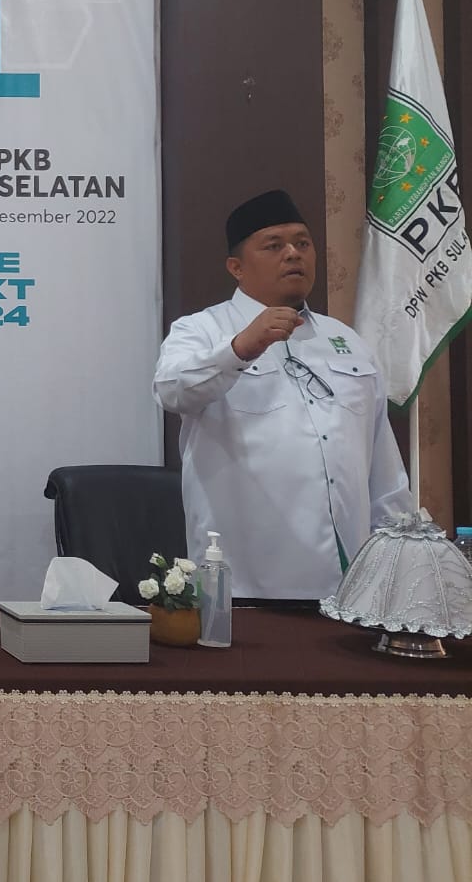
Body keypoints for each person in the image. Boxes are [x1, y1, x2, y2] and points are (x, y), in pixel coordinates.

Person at [153, 190, 411, 600]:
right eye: (274, 246)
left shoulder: (346, 341)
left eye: (302, 243)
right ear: (236, 267)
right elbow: (171, 391)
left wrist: (400, 565)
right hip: (246, 587)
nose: (293, 254)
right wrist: (240, 348)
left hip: (355, 590)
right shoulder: (202, 330)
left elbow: (384, 468)